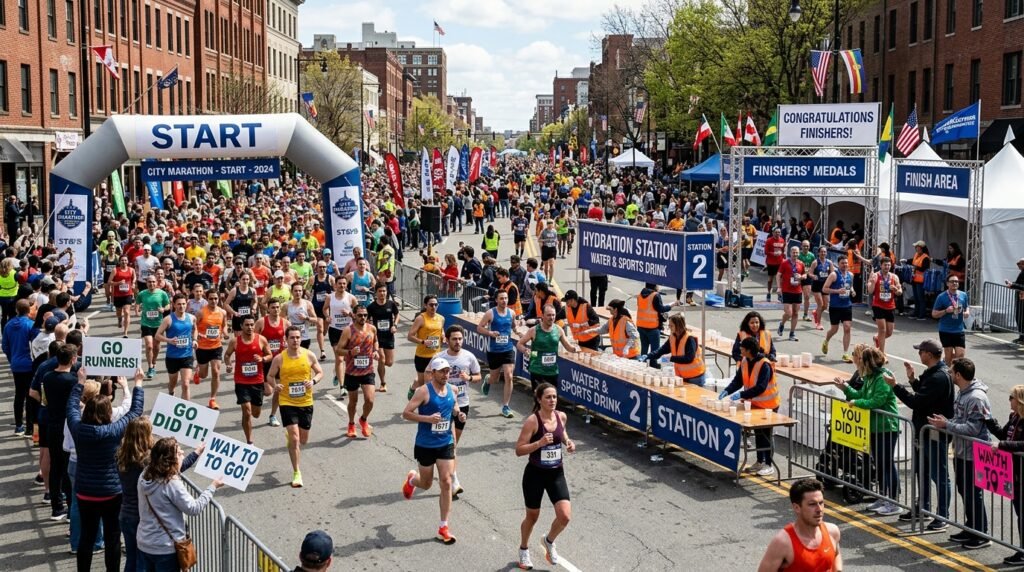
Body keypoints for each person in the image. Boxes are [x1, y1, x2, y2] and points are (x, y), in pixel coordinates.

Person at [68, 367, 145, 572]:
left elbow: (71, 408)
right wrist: (137, 384)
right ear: (107, 413)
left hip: (85, 492)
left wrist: (80, 383)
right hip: (111, 492)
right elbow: (135, 412)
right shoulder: (113, 431)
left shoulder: (78, 429)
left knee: (87, 536)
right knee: (112, 537)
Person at [117, 417, 203, 572]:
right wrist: (195, 454)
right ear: (145, 435)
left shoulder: (121, 455)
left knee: (132, 559)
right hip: (144, 518)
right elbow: (172, 469)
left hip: (126, 515)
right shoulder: (146, 463)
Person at [885, 339, 954, 530]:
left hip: (934, 434)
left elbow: (917, 402)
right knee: (921, 471)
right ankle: (923, 507)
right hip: (923, 432)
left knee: (939, 476)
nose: (919, 354)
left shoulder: (938, 377)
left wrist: (896, 386)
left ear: (929, 355)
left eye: (921, 351)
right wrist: (912, 380)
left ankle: (943, 516)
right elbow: (924, 395)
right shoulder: (932, 373)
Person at [927, 358, 993, 549]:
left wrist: (947, 425)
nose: (949, 373)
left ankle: (981, 533)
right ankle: (971, 527)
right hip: (962, 451)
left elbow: (973, 429)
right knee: (964, 491)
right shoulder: (962, 393)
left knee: (973, 494)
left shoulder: (976, 398)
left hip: (974, 454)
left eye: (951, 371)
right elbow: (960, 419)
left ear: (958, 375)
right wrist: (946, 421)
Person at [400, 356, 467, 545]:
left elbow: (454, 406)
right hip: (425, 444)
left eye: (448, 371)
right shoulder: (423, 391)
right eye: (442, 372)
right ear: (433, 373)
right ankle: (412, 480)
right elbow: (406, 413)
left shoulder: (453, 390)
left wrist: (458, 414)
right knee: (426, 483)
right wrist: (427, 419)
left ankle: (443, 526)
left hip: (445, 442)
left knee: (446, 481)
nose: (446, 375)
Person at [832, 345, 902, 516]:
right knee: (879, 464)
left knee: (887, 464)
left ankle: (893, 501)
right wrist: (845, 388)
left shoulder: (883, 377)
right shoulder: (870, 377)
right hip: (874, 427)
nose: (859, 363)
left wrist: (857, 403)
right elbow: (861, 394)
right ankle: (883, 497)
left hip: (887, 427)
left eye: (862, 360)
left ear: (869, 363)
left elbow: (877, 401)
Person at [137, 437, 224, 571]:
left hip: (144, 543)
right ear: (170, 461)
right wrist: (212, 487)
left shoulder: (145, 474)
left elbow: (177, 468)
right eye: (178, 453)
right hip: (165, 548)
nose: (183, 453)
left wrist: (196, 452)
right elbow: (194, 508)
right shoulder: (171, 483)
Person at [515, 383, 576, 570]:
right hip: (535, 474)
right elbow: (519, 450)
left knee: (565, 516)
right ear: (539, 399)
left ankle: (548, 541)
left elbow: (562, 432)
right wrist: (539, 443)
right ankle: (523, 549)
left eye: (554, 397)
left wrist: (568, 442)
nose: (552, 400)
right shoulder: (532, 421)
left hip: (556, 473)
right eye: (548, 397)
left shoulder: (561, 416)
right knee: (532, 517)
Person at [267, 325, 325, 488]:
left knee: (303, 440)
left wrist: (313, 381)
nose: (295, 340)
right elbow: (270, 376)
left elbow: (320, 372)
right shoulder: (279, 358)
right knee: (294, 438)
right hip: (287, 402)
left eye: (298, 337)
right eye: (292, 337)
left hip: (306, 402)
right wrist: (275, 386)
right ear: (286, 340)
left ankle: (293, 441)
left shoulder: (309, 355)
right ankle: (297, 472)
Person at [720, 337, 781, 477]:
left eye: (742, 348)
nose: (739, 349)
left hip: (769, 405)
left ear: (749, 350)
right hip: (755, 404)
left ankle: (769, 464)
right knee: (759, 434)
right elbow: (738, 380)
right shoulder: (745, 361)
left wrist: (742, 394)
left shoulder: (764, 365)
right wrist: (728, 390)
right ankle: (760, 461)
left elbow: (761, 387)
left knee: (766, 435)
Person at [432, 325, 481, 499]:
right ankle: (453, 480)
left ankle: (447, 474)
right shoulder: (439, 358)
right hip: (443, 406)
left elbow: (478, 376)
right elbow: (428, 376)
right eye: (454, 339)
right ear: (447, 340)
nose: (458, 342)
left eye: (460, 339)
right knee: (450, 444)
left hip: (462, 404)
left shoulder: (469, 357)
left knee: (452, 444)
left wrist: (469, 378)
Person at [756, 478, 842, 572]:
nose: (819, 509)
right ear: (797, 508)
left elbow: (836, 554)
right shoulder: (783, 542)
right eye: (812, 504)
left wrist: (838, 570)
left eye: (821, 503)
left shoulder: (832, 532)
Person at [987, 385, 1024, 566]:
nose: (1009, 400)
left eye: (1012, 397)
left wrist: (1002, 445)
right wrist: (988, 420)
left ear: (1020, 401)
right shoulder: (1014, 417)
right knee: (1020, 514)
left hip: (1021, 474)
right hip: (1014, 474)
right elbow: (1003, 434)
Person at [223, 315, 274, 444]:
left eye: (252, 325)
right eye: (247, 325)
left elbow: (270, 355)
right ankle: (249, 441)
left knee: (255, 414)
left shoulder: (261, 339)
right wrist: (228, 365)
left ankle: (251, 413)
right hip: (241, 381)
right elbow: (227, 355)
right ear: (241, 326)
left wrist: (262, 359)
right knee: (246, 411)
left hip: (257, 381)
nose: (250, 327)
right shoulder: (235, 341)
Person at [336, 305, 381, 438]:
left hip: (368, 370)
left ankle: (363, 419)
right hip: (352, 372)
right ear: (354, 315)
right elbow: (338, 350)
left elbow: (376, 341)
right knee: (353, 401)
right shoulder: (348, 331)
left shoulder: (372, 328)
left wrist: (376, 351)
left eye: (365, 315)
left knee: (370, 400)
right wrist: (350, 352)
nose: (363, 317)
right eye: (360, 315)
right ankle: (351, 424)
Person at [518, 304, 579, 391]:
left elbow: (568, 347)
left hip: (552, 371)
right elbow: (519, 344)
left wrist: (577, 349)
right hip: (537, 370)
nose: (552, 318)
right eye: (549, 315)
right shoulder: (534, 330)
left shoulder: (558, 330)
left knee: (551, 397)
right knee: (539, 398)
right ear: (542, 316)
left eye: (553, 315)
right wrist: (525, 350)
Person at [478, 290, 518, 417]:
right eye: (501, 298)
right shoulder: (490, 313)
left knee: (509, 376)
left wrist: (519, 332)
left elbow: (513, 326)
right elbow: (479, 327)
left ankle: (506, 406)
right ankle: (488, 380)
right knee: (494, 379)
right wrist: (490, 333)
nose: (504, 301)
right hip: (494, 350)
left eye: (506, 298)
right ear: (496, 300)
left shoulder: (512, 313)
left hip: (508, 349)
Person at [155, 294, 198, 401]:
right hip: (172, 357)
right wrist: (169, 340)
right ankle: (171, 392)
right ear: (174, 305)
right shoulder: (168, 319)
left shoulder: (192, 318)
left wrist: (195, 340)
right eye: (179, 304)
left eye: (183, 304)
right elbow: (157, 335)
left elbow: (195, 329)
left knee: (186, 384)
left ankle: (185, 407)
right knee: (172, 382)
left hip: (187, 355)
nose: (181, 306)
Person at [3, 298, 35, 435]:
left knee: (19, 395)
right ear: (29, 310)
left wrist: (12, 359)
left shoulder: (8, 325)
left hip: (16, 364)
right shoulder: (31, 325)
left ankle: (18, 425)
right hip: (29, 364)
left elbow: (5, 346)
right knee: (30, 396)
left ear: (16, 310)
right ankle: (29, 428)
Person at [647, 314, 705, 386]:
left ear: (678, 326)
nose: (669, 328)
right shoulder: (673, 337)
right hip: (682, 376)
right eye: (669, 326)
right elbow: (662, 350)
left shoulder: (690, 339)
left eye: (671, 326)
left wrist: (671, 358)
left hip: (695, 376)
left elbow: (689, 358)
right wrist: (648, 356)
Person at [195, 288, 228, 409]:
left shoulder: (222, 312)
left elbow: (224, 325)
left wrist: (225, 333)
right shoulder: (201, 313)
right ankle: (198, 371)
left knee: (216, 371)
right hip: (202, 347)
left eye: (215, 298)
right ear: (207, 299)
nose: (213, 301)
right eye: (211, 299)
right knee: (204, 375)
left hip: (216, 346)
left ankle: (212, 399)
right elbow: (194, 327)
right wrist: (197, 335)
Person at [407, 295, 446, 398]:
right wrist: (423, 342)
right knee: (422, 384)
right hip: (422, 356)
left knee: (434, 382)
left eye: (436, 305)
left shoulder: (441, 318)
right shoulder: (420, 318)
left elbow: (441, 329)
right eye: (431, 305)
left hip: (436, 356)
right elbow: (410, 336)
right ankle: (413, 387)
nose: (434, 307)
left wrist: (443, 336)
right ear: (425, 305)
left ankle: (429, 403)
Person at [325, 276, 358, 387]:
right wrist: (327, 316)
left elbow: (358, 315)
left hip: (348, 331)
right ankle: (342, 386)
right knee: (339, 358)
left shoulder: (351, 298)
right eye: (340, 283)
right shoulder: (330, 297)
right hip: (335, 330)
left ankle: (337, 372)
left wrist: (349, 314)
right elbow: (325, 308)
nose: (342, 285)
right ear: (335, 285)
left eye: (344, 283)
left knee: (347, 358)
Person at [821, 256, 855, 363]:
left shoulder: (851, 275)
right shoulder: (833, 275)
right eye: (842, 263)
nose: (845, 265)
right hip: (835, 306)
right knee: (834, 329)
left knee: (847, 328)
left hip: (847, 305)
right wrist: (837, 291)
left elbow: (850, 286)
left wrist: (852, 291)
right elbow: (824, 289)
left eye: (846, 263)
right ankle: (826, 341)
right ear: (838, 264)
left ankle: (845, 353)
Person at [366, 283, 399, 393]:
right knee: (382, 359)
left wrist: (395, 325)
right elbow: (366, 320)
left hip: (389, 336)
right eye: (380, 291)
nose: (382, 293)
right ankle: (383, 383)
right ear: (376, 293)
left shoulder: (391, 304)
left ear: (386, 292)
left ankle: (377, 366)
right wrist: (370, 330)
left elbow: (397, 314)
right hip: (377, 338)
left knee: (389, 362)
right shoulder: (371, 307)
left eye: (384, 291)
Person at [138, 276, 171, 380]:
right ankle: (150, 367)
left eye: (153, 282)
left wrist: (163, 309)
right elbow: (137, 304)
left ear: (156, 282)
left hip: (158, 324)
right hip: (146, 323)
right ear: (146, 283)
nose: (151, 284)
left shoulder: (162, 293)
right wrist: (137, 311)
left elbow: (168, 305)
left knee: (156, 346)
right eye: (149, 282)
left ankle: (154, 361)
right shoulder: (142, 294)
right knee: (149, 346)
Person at [867, 258, 902, 354]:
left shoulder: (894, 277)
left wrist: (896, 290)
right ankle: (881, 353)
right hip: (878, 305)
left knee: (889, 332)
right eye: (885, 265)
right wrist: (872, 282)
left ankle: (877, 338)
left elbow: (900, 292)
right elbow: (870, 291)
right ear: (881, 265)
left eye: (888, 265)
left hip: (890, 306)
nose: (887, 267)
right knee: (882, 330)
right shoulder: (875, 275)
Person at [932, 275, 969, 362]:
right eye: (952, 281)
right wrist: (946, 311)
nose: (954, 283)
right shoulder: (941, 297)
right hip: (945, 330)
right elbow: (934, 314)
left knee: (960, 355)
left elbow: (966, 307)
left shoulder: (963, 295)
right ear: (947, 284)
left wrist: (967, 312)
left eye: (956, 281)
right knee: (949, 357)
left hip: (959, 329)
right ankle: (947, 366)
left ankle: (953, 368)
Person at [777, 246, 807, 342]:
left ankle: (792, 333)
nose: (795, 254)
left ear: (799, 253)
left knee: (795, 313)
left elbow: (805, 274)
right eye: (793, 252)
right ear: (790, 253)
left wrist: (802, 277)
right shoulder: (784, 263)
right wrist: (779, 287)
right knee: (789, 313)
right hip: (786, 290)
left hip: (797, 291)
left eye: (797, 252)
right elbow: (778, 275)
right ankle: (782, 323)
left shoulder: (801, 263)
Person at [635, 282, 671, 356]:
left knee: (644, 348)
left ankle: (643, 361)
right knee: (655, 351)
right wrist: (671, 306)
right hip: (653, 327)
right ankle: (653, 362)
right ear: (655, 286)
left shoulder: (640, 295)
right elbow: (661, 309)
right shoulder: (655, 295)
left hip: (641, 325)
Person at [110, 255, 137, 337]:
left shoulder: (131, 270)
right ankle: (119, 318)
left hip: (128, 294)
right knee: (119, 312)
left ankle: (125, 332)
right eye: (122, 260)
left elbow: (134, 277)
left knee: (126, 312)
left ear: (128, 261)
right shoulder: (115, 270)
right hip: (118, 295)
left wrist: (133, 283)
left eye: (125, 260)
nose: (124, 262)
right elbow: (109, 282)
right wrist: (118, 283)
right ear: (119, 261)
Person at [808, 246, 833, 330]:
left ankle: (816, 313)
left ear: (826, 253)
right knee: (820, 304)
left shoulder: (829, 262)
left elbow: (832, 273)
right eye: (821, 252)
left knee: (825, 306)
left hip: (825, 285)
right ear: (818, 253)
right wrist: (813, 276)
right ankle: (818, 323)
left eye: (824, 252)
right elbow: (810, 273)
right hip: (817, 286)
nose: (823, 253)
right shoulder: (815, 262)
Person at [909, 241, 932, 320]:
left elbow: (924, 268)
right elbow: (912, 261)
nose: (916, 249)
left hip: (921, 281)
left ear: (921, 248)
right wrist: (907, 261)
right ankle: (916, 313)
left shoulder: (925, 257)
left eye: (917, 247)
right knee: (916, 298)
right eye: (916, 247)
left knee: (920, 298)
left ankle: (922, 315)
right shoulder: (916, 255)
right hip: (914, 279)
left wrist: (916, 267)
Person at [1004, 258, 1024, 344]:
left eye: (1020, 264)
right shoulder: (1022, 273)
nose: (1018, 265)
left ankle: (1022, 338)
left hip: (1022, 300)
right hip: (1020, 299)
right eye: (1018, 264)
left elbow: (1022, 286)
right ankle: (1021, 337)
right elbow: (1018, 284)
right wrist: (1011, 284)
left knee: (1021, 318)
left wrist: (1012, 285)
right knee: (1019, 318)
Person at [764, 228, 786, 301]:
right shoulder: (769, 240)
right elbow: (766, 252)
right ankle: (768, 293)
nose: (777, 234)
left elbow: (783, 250)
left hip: (780, 263)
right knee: (770, 279)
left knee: (780, 279)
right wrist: (773, 253)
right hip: (771, 263)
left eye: (779, 232)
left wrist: (784, 256)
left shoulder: (782, 240)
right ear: (773, 233)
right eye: (776, 232)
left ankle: (780, 294)